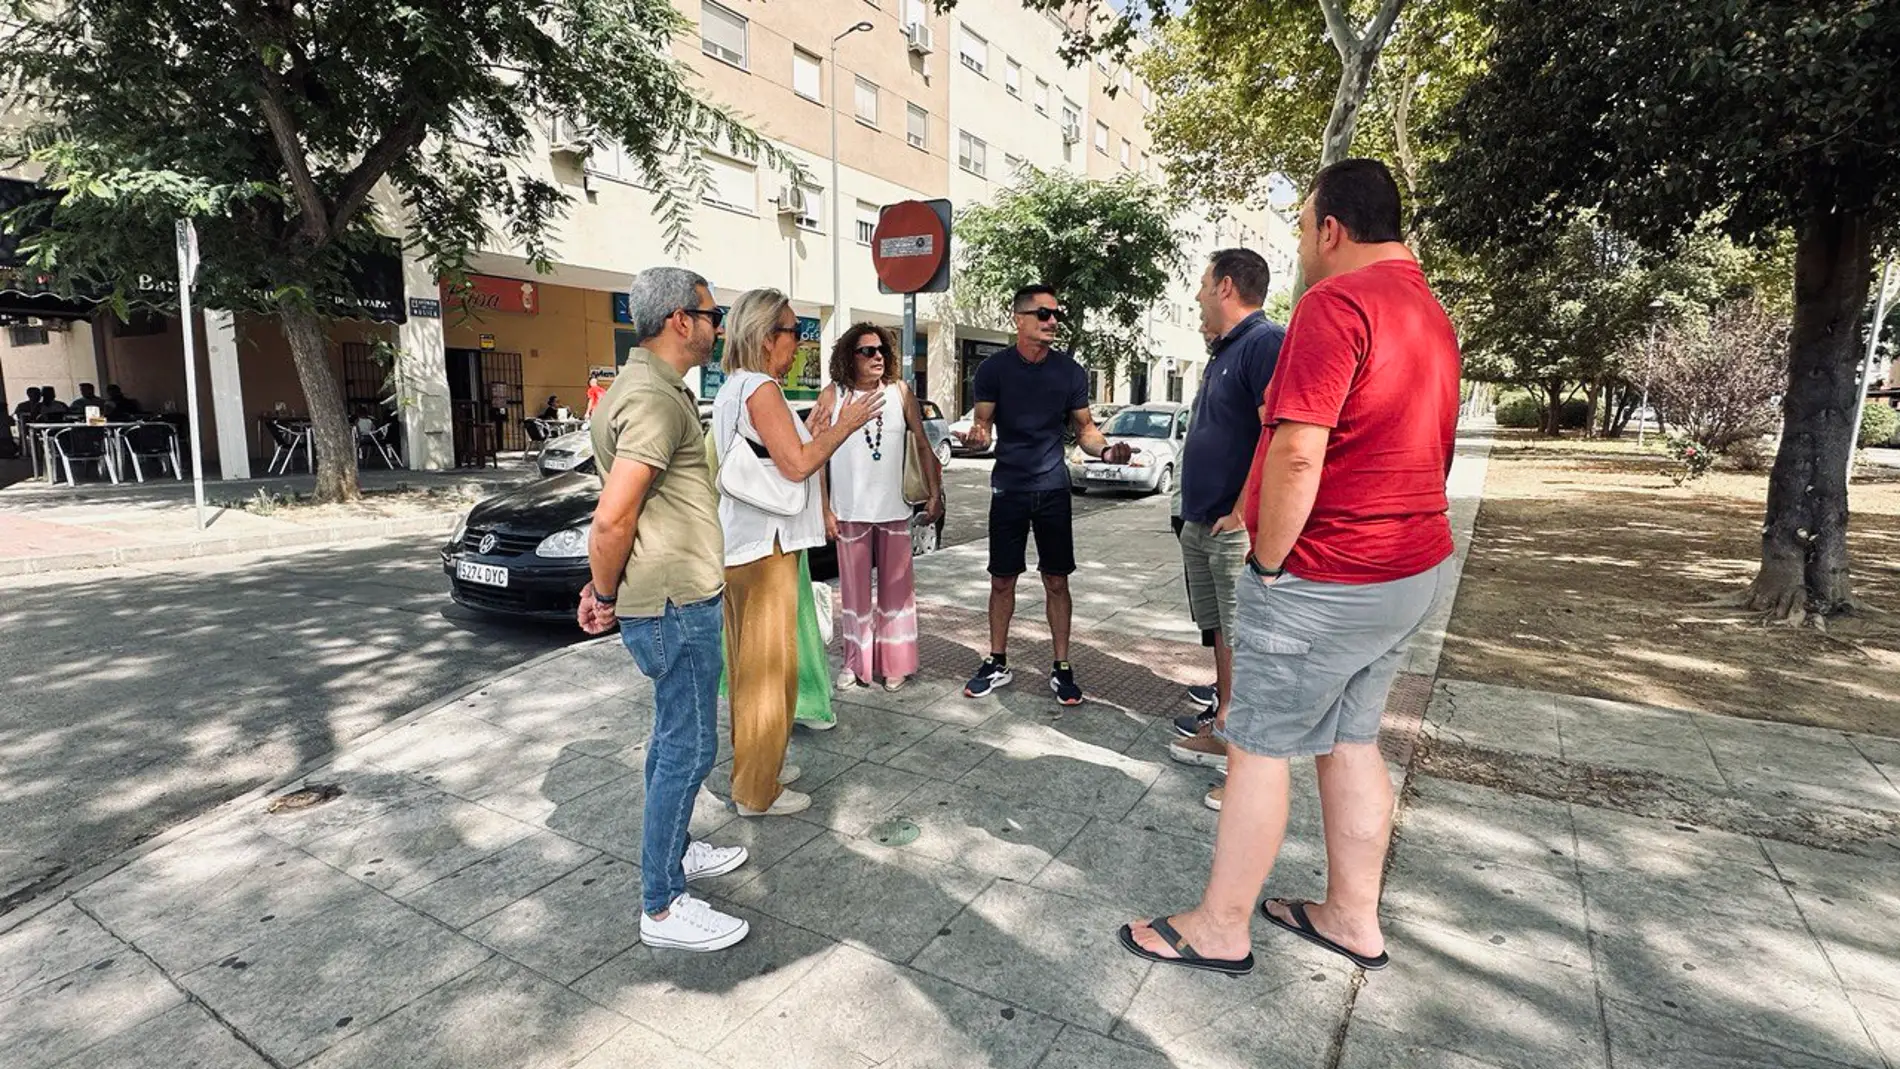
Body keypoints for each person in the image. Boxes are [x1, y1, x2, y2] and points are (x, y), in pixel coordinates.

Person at [1119, 159, 1462, 976]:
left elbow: (1300, 449)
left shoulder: (1334, 303)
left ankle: (1219, 926)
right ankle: (1350, 915)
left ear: (1332, 230)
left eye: (1304, 227)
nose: (1301, 245)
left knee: (1260, 746)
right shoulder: (1430, 311)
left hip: (1326, 573)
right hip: (1408, 568)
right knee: (1350, 741)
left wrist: (1269, 561)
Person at [577, 266, 752, 954]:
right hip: (673, 603)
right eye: (714, 313)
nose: (719, 325)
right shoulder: (651, 399)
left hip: (675, 597)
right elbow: (613, 518)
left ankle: (674, 849)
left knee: (674, 738)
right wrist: (604, 593)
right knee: (690, 747)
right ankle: (662, 901)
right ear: (681, 319)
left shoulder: (644, 388)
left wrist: (606, 590)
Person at [712, 288, 881, 817]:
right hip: (766, 547)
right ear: (767, 338)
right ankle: (757, 791)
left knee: (750, 666)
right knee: (767, 669)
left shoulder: (735, 387)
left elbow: (778, 452)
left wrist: (816, 430)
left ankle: (759, 765)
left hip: (747, 544)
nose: (800, 342)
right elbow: (798, 465)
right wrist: (845, 428)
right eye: (794, 331)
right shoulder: (760, 388)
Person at [961, 285, 1130, 706]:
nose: (1053, 321)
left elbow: (1086, 431)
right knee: (1002, 580)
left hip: (1054, 488)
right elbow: (983, 426)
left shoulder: (1069, 372)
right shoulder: (993, 370)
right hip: (1009, 488)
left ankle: (1062, 666)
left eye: (1056, 314)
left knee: (1057, 580)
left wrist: (1107, 450)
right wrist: (978, 437)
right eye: (1043, 314)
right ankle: (997, 660)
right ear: (1019, 319)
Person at [1167, 249, 1287, 801]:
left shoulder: (1264, 343)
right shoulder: (1223, 351)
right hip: (1202, 520)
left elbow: (1278, 435)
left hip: (1233, 527)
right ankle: (1224, 729)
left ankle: (1246, 767)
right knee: (1220, 634)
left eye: (1201, 284)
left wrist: (1242, 509)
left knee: (1244, 641)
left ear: (1226, 287)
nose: (1196, 295)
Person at [817, 323, 944, 692]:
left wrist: (934, 492)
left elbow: (922, 443)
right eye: (867, 351)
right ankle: (855, 662)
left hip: (893, 507)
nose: (877, 358)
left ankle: (896, 662)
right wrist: (824, 508)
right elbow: (818, 456)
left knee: (897, 590)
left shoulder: (900, 392)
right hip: (850, 510)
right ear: (849, 357)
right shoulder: (834, 395)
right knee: (854, 593)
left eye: (881, 351)